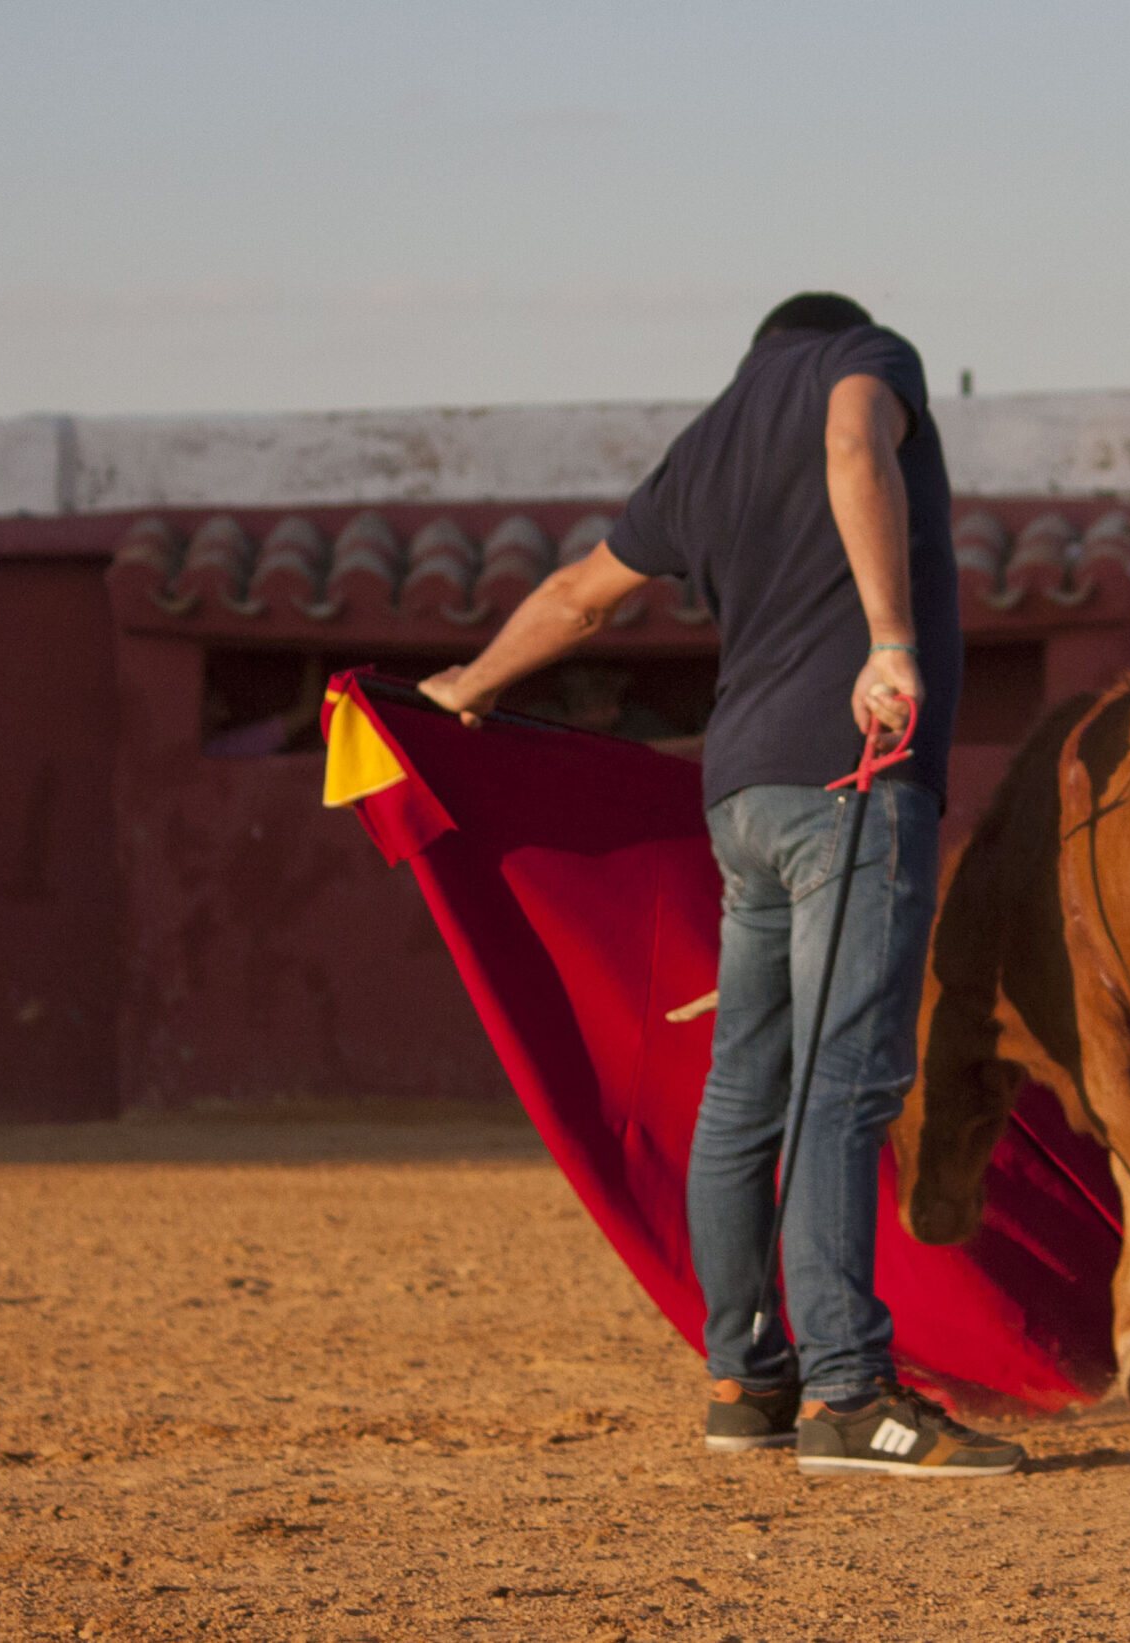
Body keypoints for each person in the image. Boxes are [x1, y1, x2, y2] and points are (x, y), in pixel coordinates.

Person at [421, 293, 1023, 1478]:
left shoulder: (704, 443)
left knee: (744, 1090)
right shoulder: (862, 361)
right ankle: (850, 1394)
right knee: (842, 1087)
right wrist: (888, 639)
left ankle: (748, 1379)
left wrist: (470, 687)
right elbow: (855, 442)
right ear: (831, 341)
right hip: (852, 778)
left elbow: (581, 596)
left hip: (739, 797)